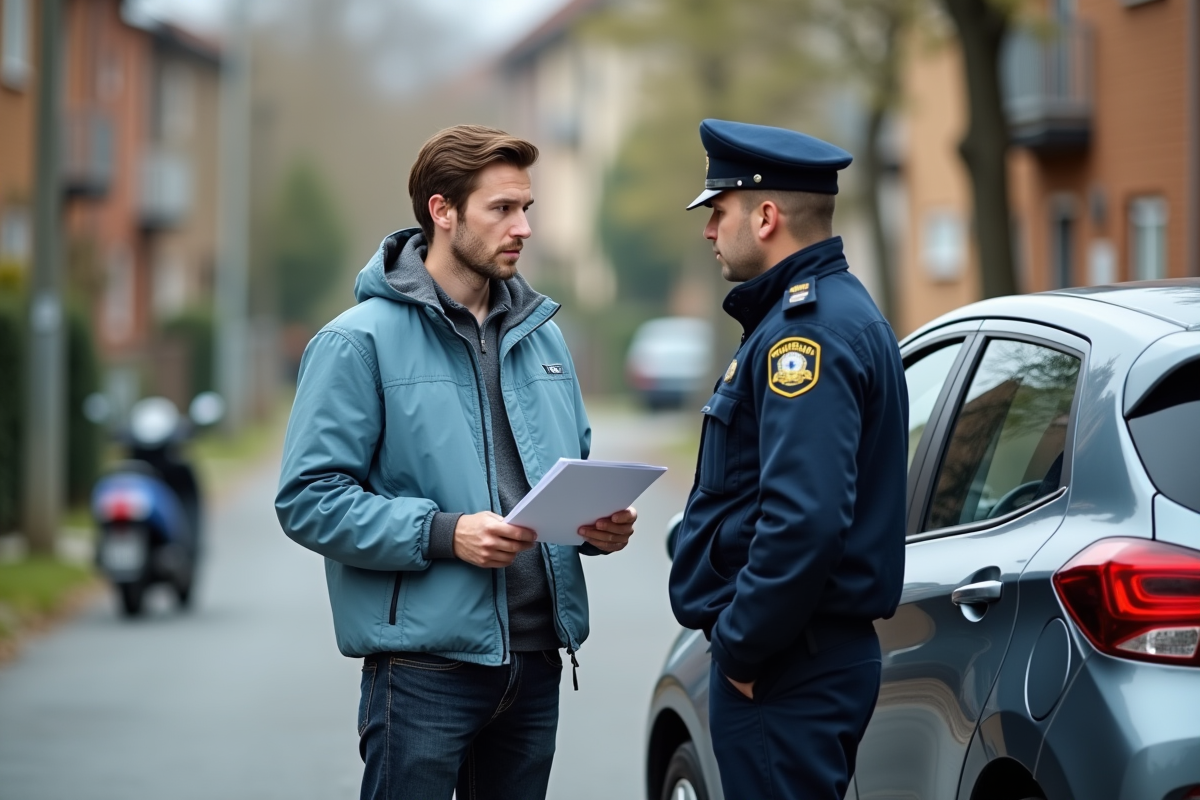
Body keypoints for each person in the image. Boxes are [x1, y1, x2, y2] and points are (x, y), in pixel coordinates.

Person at [274, 124, 637, 800]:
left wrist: (596, 527)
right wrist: (445, 534)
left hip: (535, 664)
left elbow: (565, 470)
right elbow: (308, 500)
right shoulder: (356, 343)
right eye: (502, 209)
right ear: (442, 212)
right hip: (422, 673)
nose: (523, 226)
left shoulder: (545, 337)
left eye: (527, 207)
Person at [667, 119, 908, 800]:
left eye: (718, 212)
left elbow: (804, 519)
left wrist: (743, 646)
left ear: (766, 215)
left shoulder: (807, 337)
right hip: (800, 656)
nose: (709, 231)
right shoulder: (825, 314)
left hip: (786, 665)